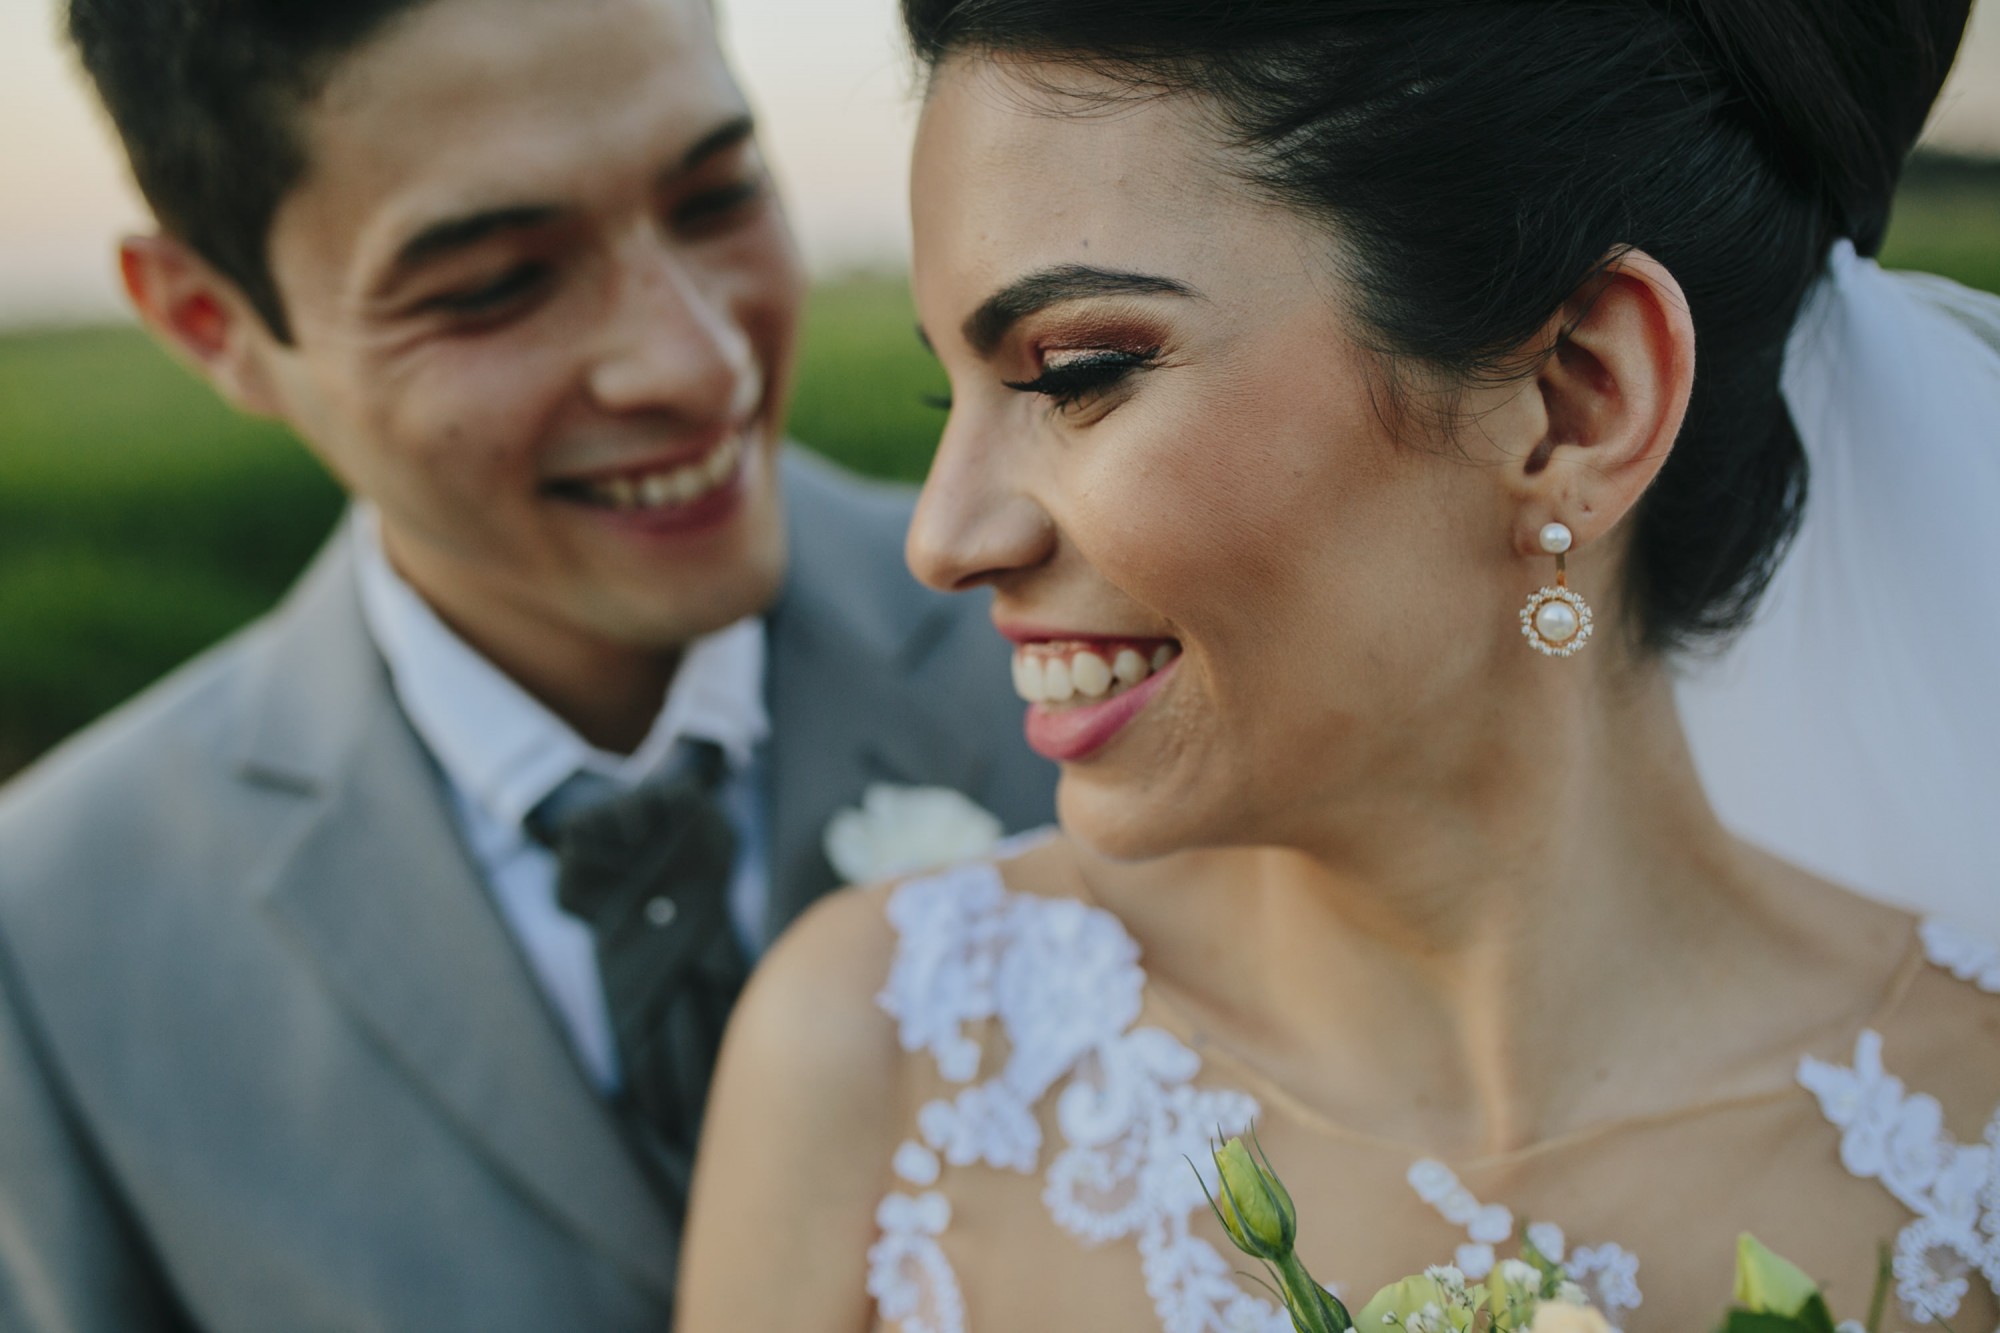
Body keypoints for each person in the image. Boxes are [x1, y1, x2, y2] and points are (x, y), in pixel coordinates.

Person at [676, 1, 2000, 1329]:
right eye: (944, 399)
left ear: (1574, 400)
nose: (943, 536)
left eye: (1077, 373)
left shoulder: (1969, 1148)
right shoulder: (883, 1061)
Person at [0, 0, 1054, 1328]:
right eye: (495, 285)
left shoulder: (1121, 677)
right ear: (212, 321)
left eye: (717, 195)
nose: (695, 359)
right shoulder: (45, 946)